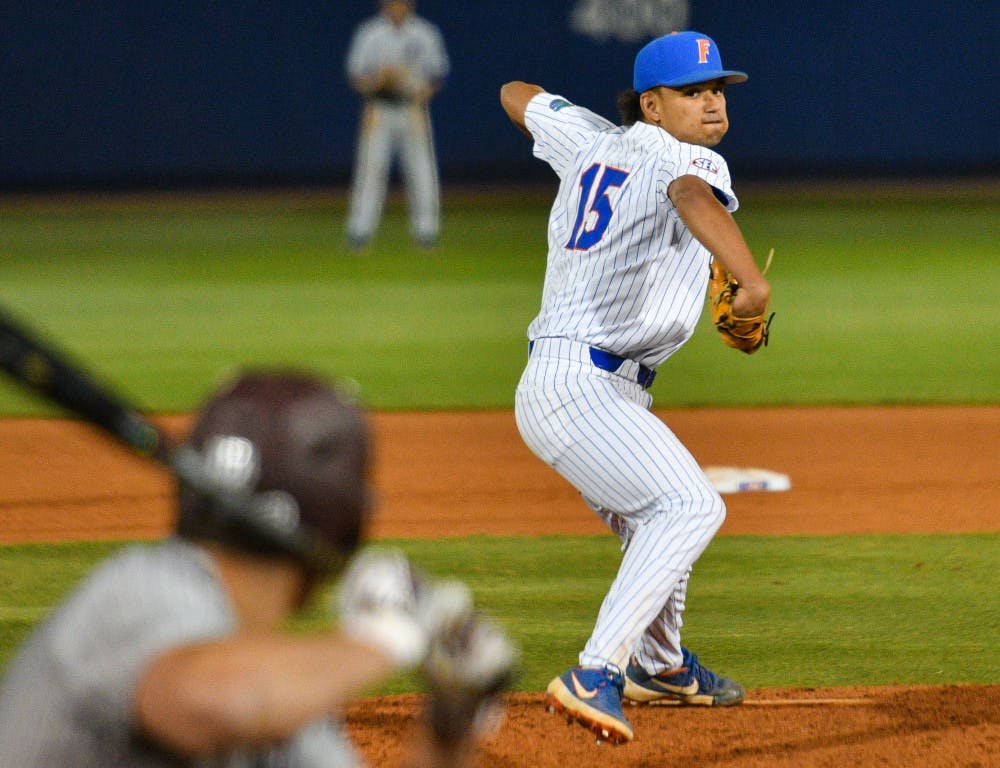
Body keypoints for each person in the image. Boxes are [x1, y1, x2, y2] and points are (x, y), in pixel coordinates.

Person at [0, 370, 516, 767]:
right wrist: (390, 634)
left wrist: (448, 732)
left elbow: (245, 697)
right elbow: (206, 699)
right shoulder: (142, 591)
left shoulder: (283, 702)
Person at [500, 30, 771, 744]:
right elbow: (686, 191)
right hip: (583, 385)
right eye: (692, 93)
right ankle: (596, 672)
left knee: (652, 526)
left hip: (575, 385)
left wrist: (587, 129)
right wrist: (751, 279)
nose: (712, 103)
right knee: (688, 507)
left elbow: (514, 93)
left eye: (717, 89)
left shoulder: (590, 143)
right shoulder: (690, 159)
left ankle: (662, 665)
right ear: (653, 104)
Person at [345, 0, 450, 250]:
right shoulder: (370, 32)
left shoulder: (425, 32)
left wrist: (419, 92)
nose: (397, 5)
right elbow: (356, 74)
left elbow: (437, 74)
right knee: (371, 171)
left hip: (412, 108)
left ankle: (426, 233)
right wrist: (377, 83)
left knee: (422, 171)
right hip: (380, 108)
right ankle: (359, 233)